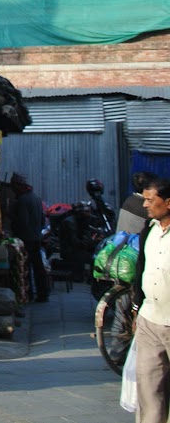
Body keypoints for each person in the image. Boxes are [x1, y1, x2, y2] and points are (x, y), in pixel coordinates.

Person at [133, 177, 170, 423]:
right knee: (148, 385)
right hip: (149, 318)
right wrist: (137, 306)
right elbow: (141, 269)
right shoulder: (149, 229)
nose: (145, 205)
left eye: (150, 200)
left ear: (168, 202)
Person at [8, 172, 49, 304]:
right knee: (38, 267)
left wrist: (11, 218)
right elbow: (42, 220)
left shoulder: (22, 201)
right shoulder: (36, 198)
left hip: (26, 238)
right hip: (36, 236)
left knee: (25, 267)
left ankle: (29, 294)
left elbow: (22, 221)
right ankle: (43, 293)